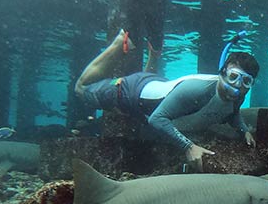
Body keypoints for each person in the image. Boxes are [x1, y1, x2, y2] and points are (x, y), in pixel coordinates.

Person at [75, 29, 258, 171]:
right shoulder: (196, 90)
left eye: (246, 81)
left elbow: (231, 114)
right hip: (130, 92)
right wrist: (188, 147)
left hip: (162, 88)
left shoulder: (237, 97)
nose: (238, 86)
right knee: (81, 89)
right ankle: (118, 44)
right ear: (223, 72)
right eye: (234, 76)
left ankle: (153, 56)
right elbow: (156, 119)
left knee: (158, 88)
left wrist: (244, 130)